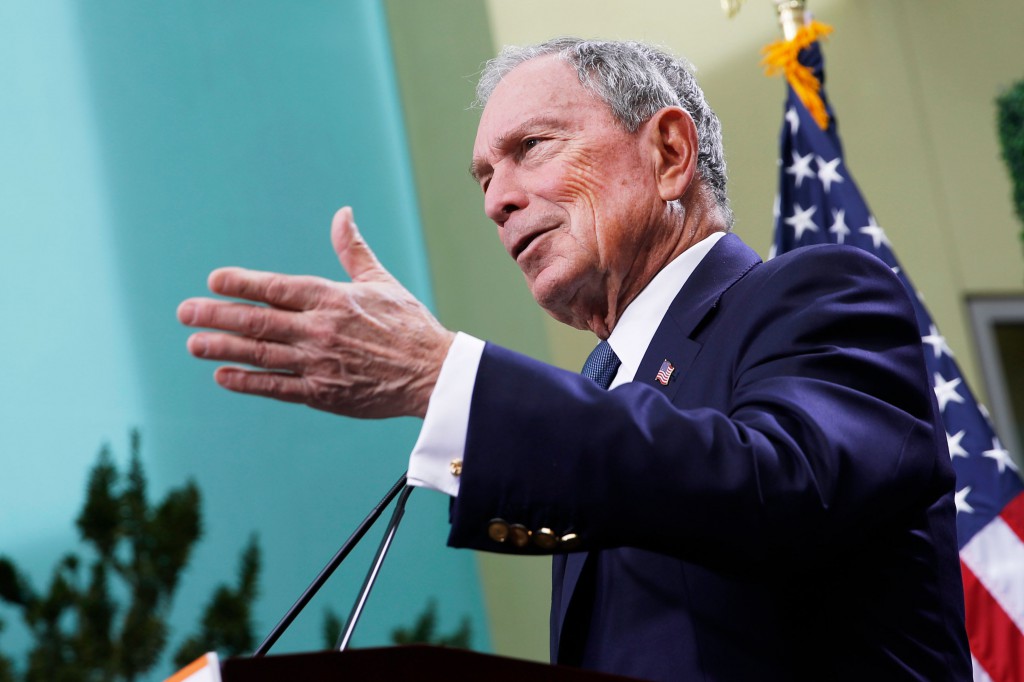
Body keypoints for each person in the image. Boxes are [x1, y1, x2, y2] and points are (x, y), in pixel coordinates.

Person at [178, 38, 971, 681]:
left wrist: (441, 377)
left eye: (530, 148)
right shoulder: (603, 401)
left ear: (669, 151)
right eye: (485, 178)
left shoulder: (823, 295)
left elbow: (777, 488)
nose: (496, 201)